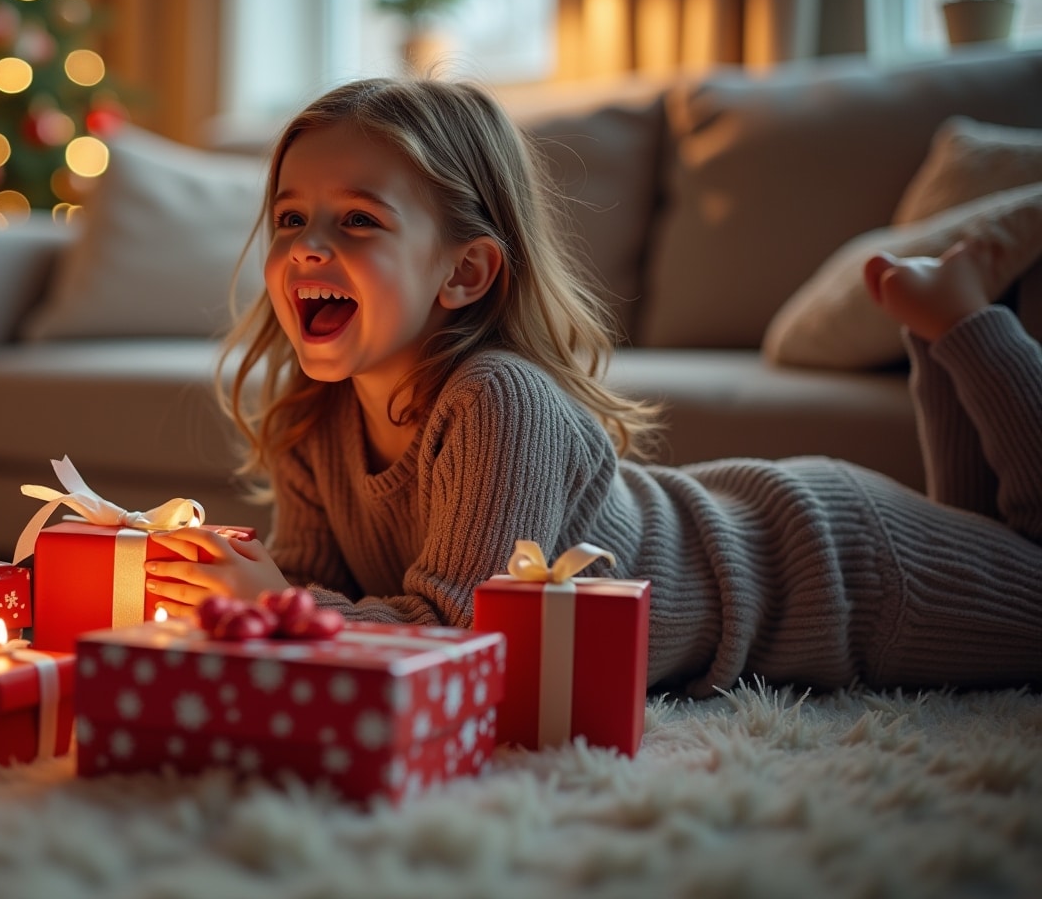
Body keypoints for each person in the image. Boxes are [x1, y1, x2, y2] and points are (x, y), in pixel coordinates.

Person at [144, 76, 1042, 695]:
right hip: (789, 553)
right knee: (997, 536)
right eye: (291, 216)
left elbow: (462, 641)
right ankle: (945, 329)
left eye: (359, 220)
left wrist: (276, 606)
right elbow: (310, 601)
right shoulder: (312, 420)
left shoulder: (499, 398)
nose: (307, 246)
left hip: (829, 567)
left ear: (464, 273)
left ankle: (966, 327)